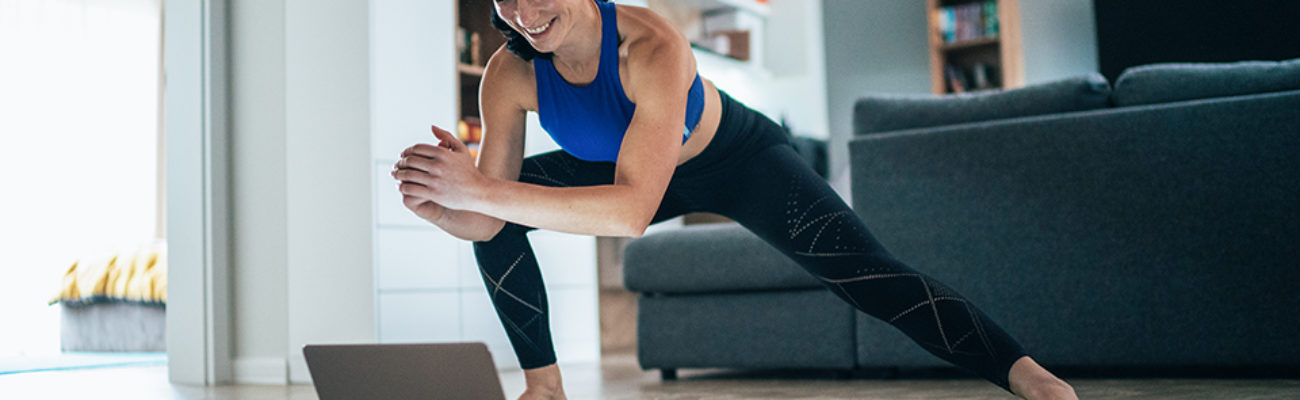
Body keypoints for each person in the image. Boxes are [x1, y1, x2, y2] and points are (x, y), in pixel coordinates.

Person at [390, 0, 1077, 399]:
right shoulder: (508, 73)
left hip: (737, 159)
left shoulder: (650, 43)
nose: (524, 12)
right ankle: (545, 389)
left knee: (866, 274)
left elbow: (631, 212)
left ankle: (1032, 378)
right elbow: (490, 218)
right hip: (631, 167)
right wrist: (450, 206)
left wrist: (483, 191)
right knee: (502, 220)